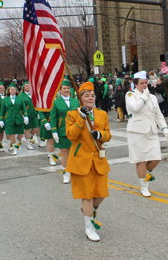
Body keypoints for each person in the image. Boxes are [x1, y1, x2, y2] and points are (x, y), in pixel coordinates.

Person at [65, 81, 111, 242]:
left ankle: (90, 210)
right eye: (86, 95)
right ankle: (89, 227)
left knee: (101, 194)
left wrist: (101, 135)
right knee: (87, 196)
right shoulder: (72, 114)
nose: (90, 98)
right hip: (81, 160)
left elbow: (107, 134)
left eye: (92, 95)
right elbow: (71, 135)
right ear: (80, 98)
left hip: (98, 159)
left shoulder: (102, 114)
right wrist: (81, 118)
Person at [126, 71, 168, 197]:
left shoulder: (153, 97)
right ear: (135, 84)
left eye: (146, 83)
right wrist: (144, 97)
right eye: (142, 83)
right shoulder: (130, 95)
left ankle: (145, 173)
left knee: (156, 158)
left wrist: (164, 128)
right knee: (140, 160)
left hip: (151, 131)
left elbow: (158, 114)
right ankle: (144, 186)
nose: (145, 85)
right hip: (137, 132)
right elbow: (135, 108)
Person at [50, 80, 80, 183]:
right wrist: (54, 131)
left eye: (68, 88)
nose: (66, 90)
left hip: (74, 130)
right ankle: (66, 172)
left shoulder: (76, 101)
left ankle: (74, 171)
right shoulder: (56, 102)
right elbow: (53, 118)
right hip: (62, 130)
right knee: (64, 152)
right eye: (64, 88)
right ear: (60, 90)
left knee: (73, 151)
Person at [0, 83, 28, 156]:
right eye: (11, 89)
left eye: (14, 89)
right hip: (9, 119)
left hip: (19, 118)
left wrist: (26, 116)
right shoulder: (5, 99)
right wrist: (1, 119)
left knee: (21, 134)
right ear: (9, 90)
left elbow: (24, 107)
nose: (13, 90)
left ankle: (18, 142)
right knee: (12, 135)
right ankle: (15, 149)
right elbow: (2, 110)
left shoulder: (20, 98)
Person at [20, 81, 41, 149]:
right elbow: (20, 105)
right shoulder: (21, 95)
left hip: (34, 113)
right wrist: (23, 115)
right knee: (27, 129)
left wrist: (38, 112)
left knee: (36, 128)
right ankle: (28, 144)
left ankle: (30, 136)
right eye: (26, 86)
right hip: (27, 114)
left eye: (29, 86)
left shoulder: (33, 94)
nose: (28, 87)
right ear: (23, 88)